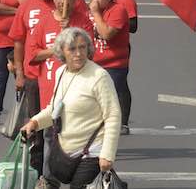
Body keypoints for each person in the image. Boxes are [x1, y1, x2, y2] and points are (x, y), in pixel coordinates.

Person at [20, 27, 121, 189]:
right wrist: (35, 122)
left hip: (92, 151)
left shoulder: (99, 76)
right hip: (64, 150)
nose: (78, 53)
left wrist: (107, 154)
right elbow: (54, 107)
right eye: (72, 49)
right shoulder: (61, 72)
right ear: (62, 52)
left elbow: (113, 116)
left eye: (82, 47)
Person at [27, 0, 94, 188]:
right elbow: (32, 53)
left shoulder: (82, 22)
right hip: (50, 91)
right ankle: (49, 180)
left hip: (77, 92)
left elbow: (90, 55)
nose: (63, 1)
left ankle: (78, 181)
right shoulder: (43, 21)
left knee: (77, 138)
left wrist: (70, 34)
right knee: (49, 137)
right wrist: (56, 49)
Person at [6, 0, 57, 177]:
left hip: (61, 77)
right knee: (36, 126)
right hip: (33, 77)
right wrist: (19, 73)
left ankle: (59, 171)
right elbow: (18, 42)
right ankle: (38, 174)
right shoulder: (26, 7)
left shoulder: (64, 4)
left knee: (61, 129)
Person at [88, 0, 131, 135]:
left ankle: (110, 134)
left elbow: (106, 34)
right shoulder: (89, 10)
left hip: (114, 66)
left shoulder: (118, 10)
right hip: (93, 64)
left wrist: (96, 13)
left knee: (105, 103)